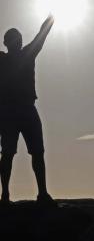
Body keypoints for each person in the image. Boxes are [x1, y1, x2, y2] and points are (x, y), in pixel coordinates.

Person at [0, 15, 54, 205]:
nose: (17, 42)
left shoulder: (26, 54)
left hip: (22, 110)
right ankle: (6, 194)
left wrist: (52, 15)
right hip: (11, 111)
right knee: (8, 153)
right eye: (14, 39)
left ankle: (41, 193)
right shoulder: (8, 58)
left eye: (18, 39)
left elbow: (42, 33)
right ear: (7, 43)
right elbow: (42, 34)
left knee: (36, 152)